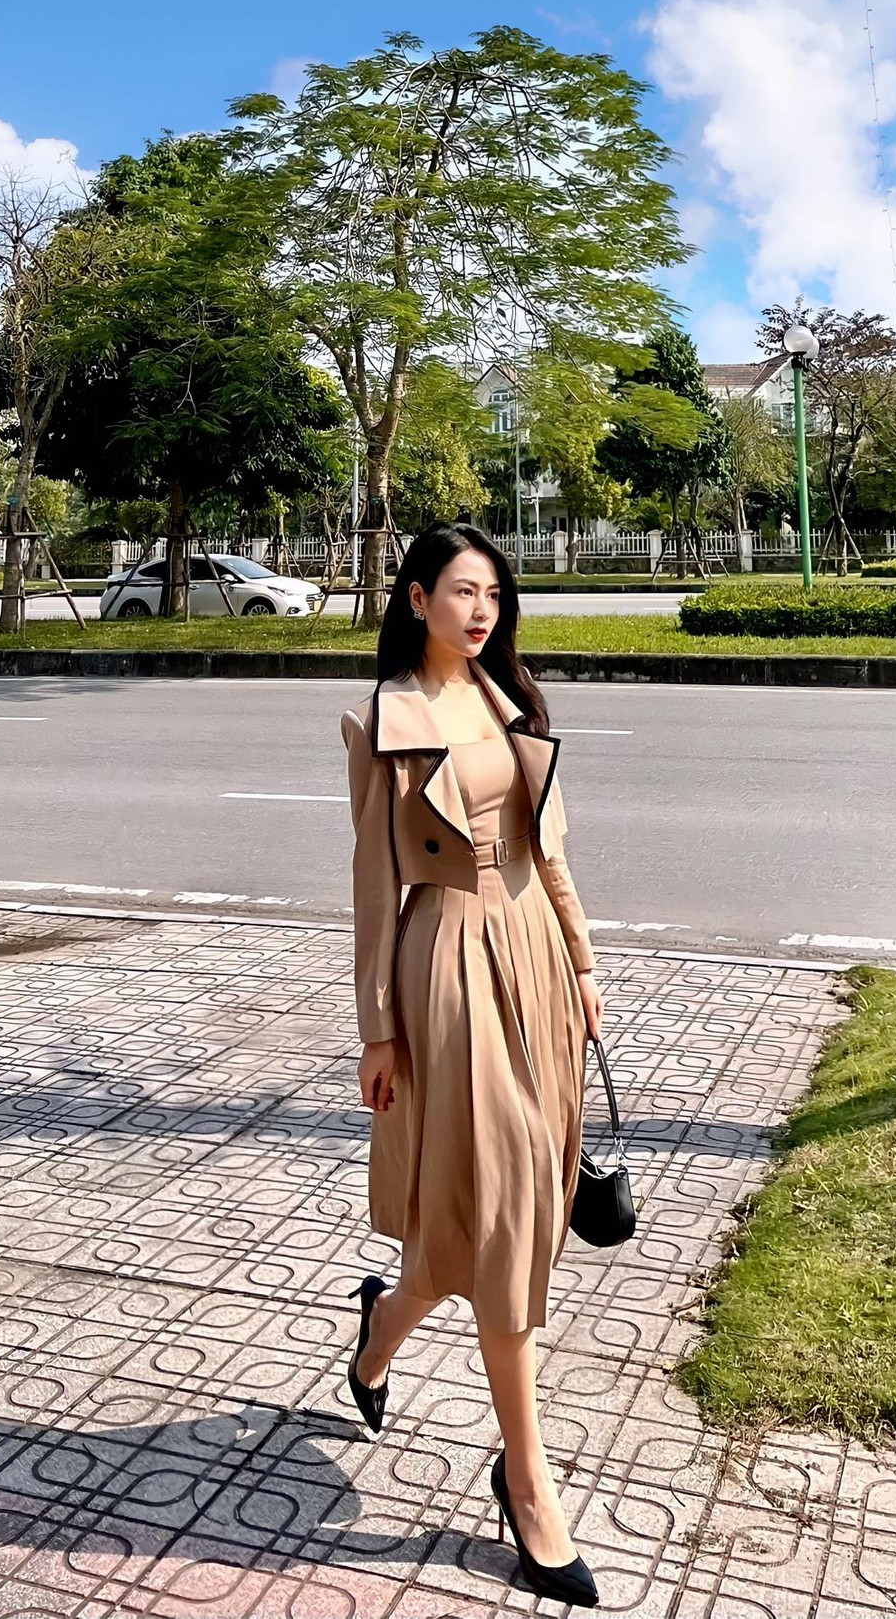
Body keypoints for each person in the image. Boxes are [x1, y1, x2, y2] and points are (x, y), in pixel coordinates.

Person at [339, 522, 604, 1608]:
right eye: (460, 590)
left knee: (509, 1199)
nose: (481, 609)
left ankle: (381, 1328)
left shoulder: (510, 700)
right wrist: (377, 1027)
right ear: (415, 598)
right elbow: (373, 885)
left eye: (492, 591)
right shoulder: (386, 720)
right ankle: (528, 1482)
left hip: (532, 948)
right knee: (497, 1208)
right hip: (444, 959)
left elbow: (551, 849)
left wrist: (583, 963)